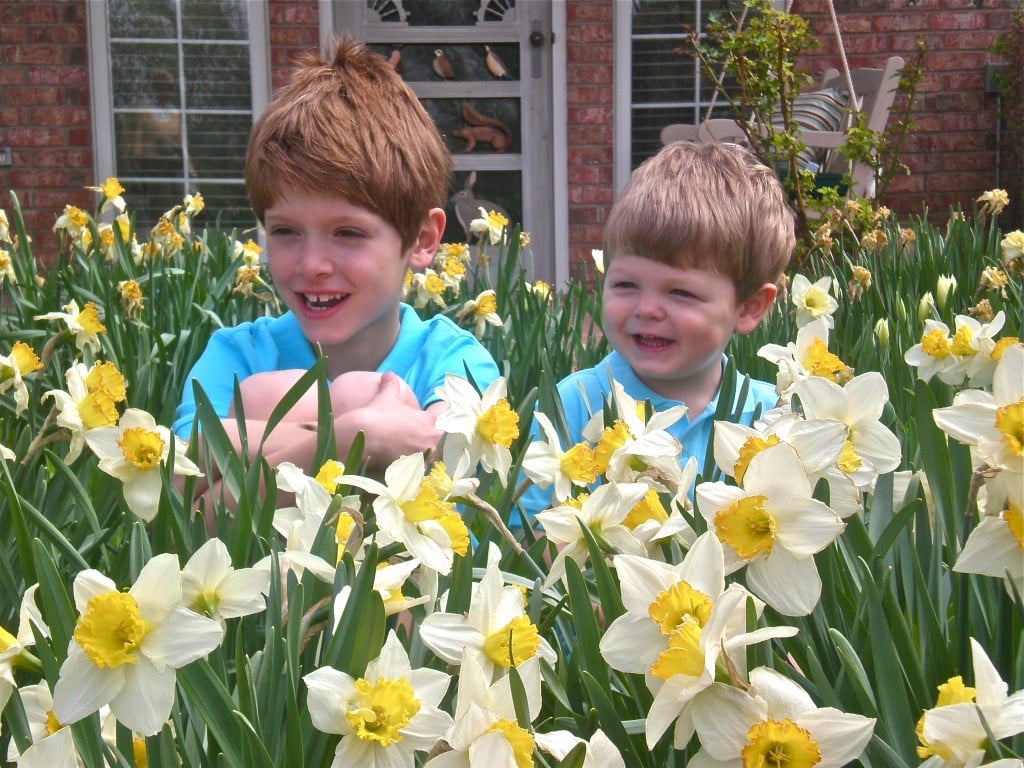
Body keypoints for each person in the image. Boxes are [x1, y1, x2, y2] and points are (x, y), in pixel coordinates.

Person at [173, 36, 500, 480]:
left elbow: (452, 474)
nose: (311, 264)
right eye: (285, 231)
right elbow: (181, 492)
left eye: (347, 233)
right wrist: (349, 438)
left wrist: (255, 447)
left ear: (422, 239)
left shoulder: (453, 361)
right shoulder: (236, 356)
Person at [519, 140, 794, 519]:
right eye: (626, 285)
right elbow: (525, 539)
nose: (646, 309)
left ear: (749, 308)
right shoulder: (572, 405)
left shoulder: (773, 419)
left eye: (681, 292)